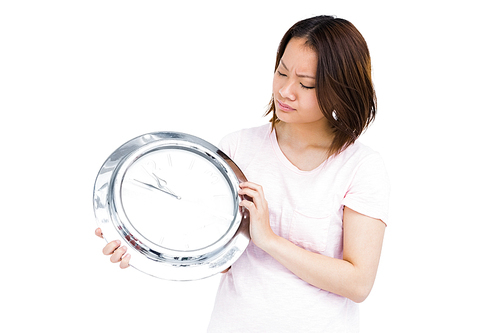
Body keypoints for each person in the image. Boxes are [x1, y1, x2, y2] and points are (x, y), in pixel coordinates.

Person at [96, 15, 390, 332]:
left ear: (341, 89)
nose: (286, 90)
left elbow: (358, 284)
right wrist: (139, 241)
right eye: (281, 72)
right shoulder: (238, 147)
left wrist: (269, 240)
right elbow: (218, 256)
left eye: (306, 84)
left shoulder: (361, 166)